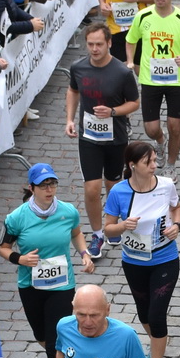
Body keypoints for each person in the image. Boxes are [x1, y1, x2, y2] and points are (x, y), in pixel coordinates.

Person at [1, 162, 93, 358]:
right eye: (43, 186)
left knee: (52, 346)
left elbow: (77, 234)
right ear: (31, 189)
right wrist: (19, 259)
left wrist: (84, 254)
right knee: (43, 338)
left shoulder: (67, 211)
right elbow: (3, 248)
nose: (49, 190)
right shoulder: (17, 218)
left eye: (52, 184)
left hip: (62, 286)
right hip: (30, 287)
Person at [103, 141, 180, 358]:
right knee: (144, 312)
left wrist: (177, 226)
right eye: (148, 162)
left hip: (165, 258)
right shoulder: (119, 192)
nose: (154, 165)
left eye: (155, 161)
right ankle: (157, 343)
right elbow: (108, 229)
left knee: (157, 314)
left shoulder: (166, 185)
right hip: (134, 261)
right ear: (132, 165)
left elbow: (176, 207)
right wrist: (123, 226)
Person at [65, 24, 141, 261]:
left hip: (116, 137)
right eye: (90, 44)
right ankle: (98, 234)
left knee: (113, 184)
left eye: (99, 44)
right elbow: (73, 90)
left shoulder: (122, 72)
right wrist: (69, 118)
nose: (95, 49)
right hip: (89, 137)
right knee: (92, 187)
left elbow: (134, 103)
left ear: (109, 43)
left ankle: (113, 225)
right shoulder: (78, 67)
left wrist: (113, 111)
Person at [128, 0, 180, 172]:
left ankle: (171, 164)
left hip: (176, 80)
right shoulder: (142, 17)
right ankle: (160, 142)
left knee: (175, 126)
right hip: (150, 79)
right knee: (151, 129)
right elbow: (130, 40)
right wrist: (129, 61)